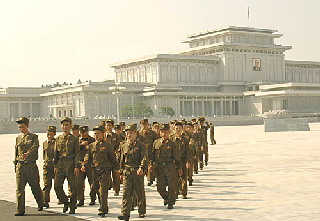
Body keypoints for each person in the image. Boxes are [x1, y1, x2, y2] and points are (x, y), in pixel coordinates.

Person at [81, 125, 119, 217]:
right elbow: (88, 157)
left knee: (103, 190)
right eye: (94, 134)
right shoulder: (91, 146)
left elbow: (113, 158)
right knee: (97, 189)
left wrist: (117, 169)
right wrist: (84, 165)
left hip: (105, 170)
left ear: (103, 134)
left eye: (98, 133)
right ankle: (104, 206)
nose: (96, 136)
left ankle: (102, 208)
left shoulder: (108, 145)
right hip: (94, 170)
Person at [14, 117, 44, 216]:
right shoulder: (18, 138)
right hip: (21, 166)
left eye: (22, 127)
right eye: (19, 127)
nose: (21, 129)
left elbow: (35, 147)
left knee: (35, 187)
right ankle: (20, 210)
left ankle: (40, 203)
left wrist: (28, 154)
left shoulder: (33, 137)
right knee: (19, 189)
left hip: (30, 166)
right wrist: (16, 164)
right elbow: (16, 152)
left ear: (27, 126)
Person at [118, 123, 148, 221]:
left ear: (136, 134)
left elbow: (144, 158)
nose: (129, 135)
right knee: (126, 193)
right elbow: (121, 160)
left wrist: (142, 167)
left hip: (137, 171)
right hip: (127, 172)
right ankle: (125, 213)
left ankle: (141, 210)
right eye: (127, 133)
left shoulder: (141, 146)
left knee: (139, 192)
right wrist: (121, 172)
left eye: (131, 133)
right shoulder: (124, 146)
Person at [149, 124, 182, 209]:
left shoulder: (172, 144)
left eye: (166, 132)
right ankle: (167, 197)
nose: (164, 133)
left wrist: (179, 168)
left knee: (171, 186)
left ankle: (170, 203)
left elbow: (177, 157)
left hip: (170, 167)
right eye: (162, 132)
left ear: (169, 132)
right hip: (159, 168)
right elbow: (152, 155)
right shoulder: (156, 142)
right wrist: (150, 165)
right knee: (160, 187)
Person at [54, 117, 80, 214]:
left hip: (71, 163)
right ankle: (65, 202)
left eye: (67, 125)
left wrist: (77, 166)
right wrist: (55, 166)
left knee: (73, 187)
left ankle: (72, 206)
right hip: (60, 163)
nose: (65, 127)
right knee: (57, 186)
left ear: (70, 126)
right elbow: (55, 153)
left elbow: (77, 153)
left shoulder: (75, 139)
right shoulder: (58, 139)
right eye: (63, 125)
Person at [170, 122, 191, 199]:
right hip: (173, 161)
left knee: (184, 176)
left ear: (182, 129)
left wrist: (188, 161)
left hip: (183, 160)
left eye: (179, 128)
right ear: (173, 129)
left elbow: (188, 151)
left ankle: (184, 192)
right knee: (174, 177)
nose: (177, 130)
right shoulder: (170, 139)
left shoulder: (185, 139)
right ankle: (175, 192)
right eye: (176, 128)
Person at [76, 125, 96, 206]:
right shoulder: (76, 140)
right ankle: (80, 199)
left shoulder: (92, 140)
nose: (84, 134)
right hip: (80, 164)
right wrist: (81, 145)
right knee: (79, 183)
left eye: (85, 132)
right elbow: (74, 150)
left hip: (90, 164)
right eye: (82, 133)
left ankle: (93, 198)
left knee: (92, 182)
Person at [138, 119, 158, 186]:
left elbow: (156, 142)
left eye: (145, 124)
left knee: (150, 166)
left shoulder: (152, 133)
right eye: (142, 124)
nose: (144, 126)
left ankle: (150, 179)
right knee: (142, 165)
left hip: (150, 151)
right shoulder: (139, 133)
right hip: (141, 152)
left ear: (147, 125)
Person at [105, 119, 121, 196]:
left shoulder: (116, 136)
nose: (108, 127)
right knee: (106, 175)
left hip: (114, 158)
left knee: (116, 174)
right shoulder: (103, 136)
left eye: (110, 125)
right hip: (105, 159)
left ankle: (116, 189)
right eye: (107, 125)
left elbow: (119, 146)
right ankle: (108, 186)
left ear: (113, 126)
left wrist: (116, 153)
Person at [42, 126, 57, 208]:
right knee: (46, 184)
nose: (49, 136)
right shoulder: (45, 143)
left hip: (55, 165)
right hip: (47, 165)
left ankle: (61, 198)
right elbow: (44, 155)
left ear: (54, 134)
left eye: (51, 134)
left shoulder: (57, 143)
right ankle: (45, 201)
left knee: (57, 184)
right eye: (48, 134)